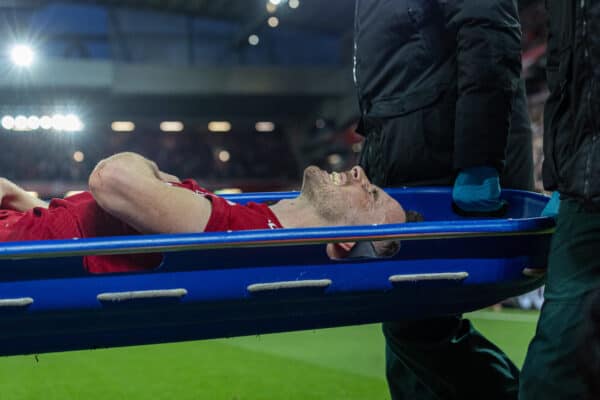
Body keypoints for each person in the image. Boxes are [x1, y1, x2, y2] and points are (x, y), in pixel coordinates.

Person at [353, 0, 533, 398]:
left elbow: (488, 29)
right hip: (408, 166)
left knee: (415, 327)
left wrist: (479, 160)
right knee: (405, 340)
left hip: (446, 165)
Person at [0, 152, 408, 274]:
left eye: (369, 194)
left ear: (347, 242)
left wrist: (154, 170)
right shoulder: (246, 221)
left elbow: (111, 178)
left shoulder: (244, 237)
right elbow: (81, 226)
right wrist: (20, 199)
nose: (360, 173)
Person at [519, 2, 600, 399]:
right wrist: (560, 175)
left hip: (586, 181)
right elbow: (566, 86)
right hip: (580, 183)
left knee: (555, 369)